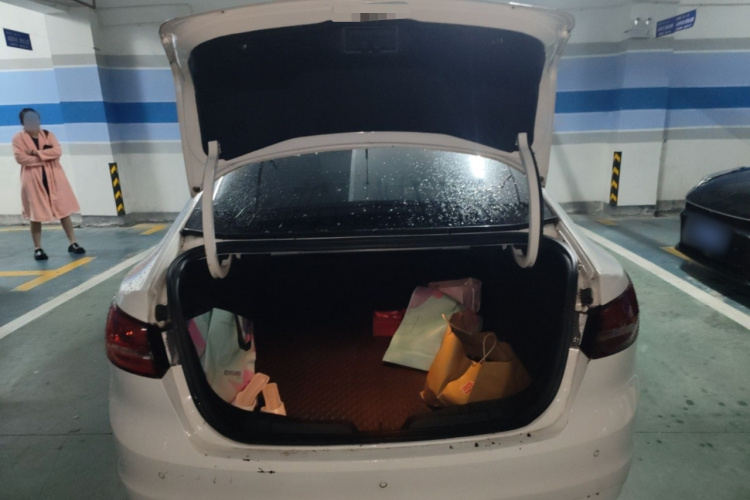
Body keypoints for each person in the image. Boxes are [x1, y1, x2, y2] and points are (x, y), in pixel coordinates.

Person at [12, 108, 85, 260]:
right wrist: (46, 158)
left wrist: (36, 153)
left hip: (54, 177)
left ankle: (73, 243)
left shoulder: (48, 134)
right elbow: (21, 158)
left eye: (35, 118)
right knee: (35, 214)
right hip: (32, 180)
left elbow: (57, 151)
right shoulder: (18, 138)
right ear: (23, 122)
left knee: (63, 211)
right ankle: (38, 248)